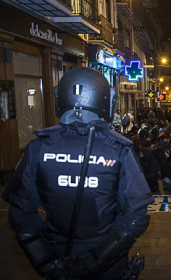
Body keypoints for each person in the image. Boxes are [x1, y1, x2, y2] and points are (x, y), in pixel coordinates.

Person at [2, 67, 154, 280]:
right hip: (106, 261)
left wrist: (45, 263)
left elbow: (19, 211)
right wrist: (91, 264)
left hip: (57, 258)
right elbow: (136, 217)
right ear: (108, 101)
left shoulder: (39, 148)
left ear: (58, 99)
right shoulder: (119, 149)